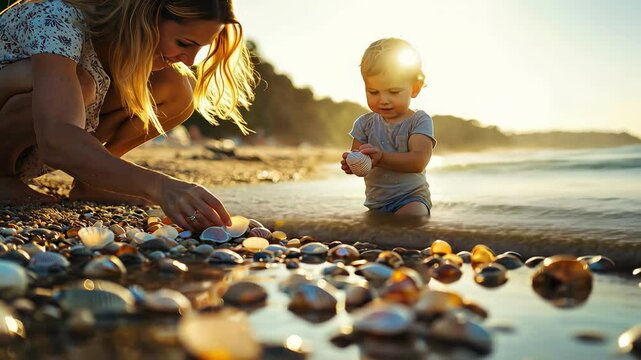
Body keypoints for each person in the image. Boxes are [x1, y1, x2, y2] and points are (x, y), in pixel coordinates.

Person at [0, 0, 256, 230]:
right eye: (184, 44)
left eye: (199, 49)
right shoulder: (58, 18)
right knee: (81, 85)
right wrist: (159, 186)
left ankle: (92, 182)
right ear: (146, 15)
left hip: (38, 141)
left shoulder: (117, 49)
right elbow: (56, 139)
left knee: (176, 88)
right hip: (43, 134)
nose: (190, 60)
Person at [341, 38, 436, 216]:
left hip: (411, 198)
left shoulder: (419, 120)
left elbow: (418, 161)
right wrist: (351, 165)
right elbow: (361, 162)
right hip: (376, 202)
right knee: (373, 235)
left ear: (414, 89)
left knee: (412, 216)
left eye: (393, 92)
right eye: (373, 92)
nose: (383, 100)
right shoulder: (364, 124)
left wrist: (381, 157)